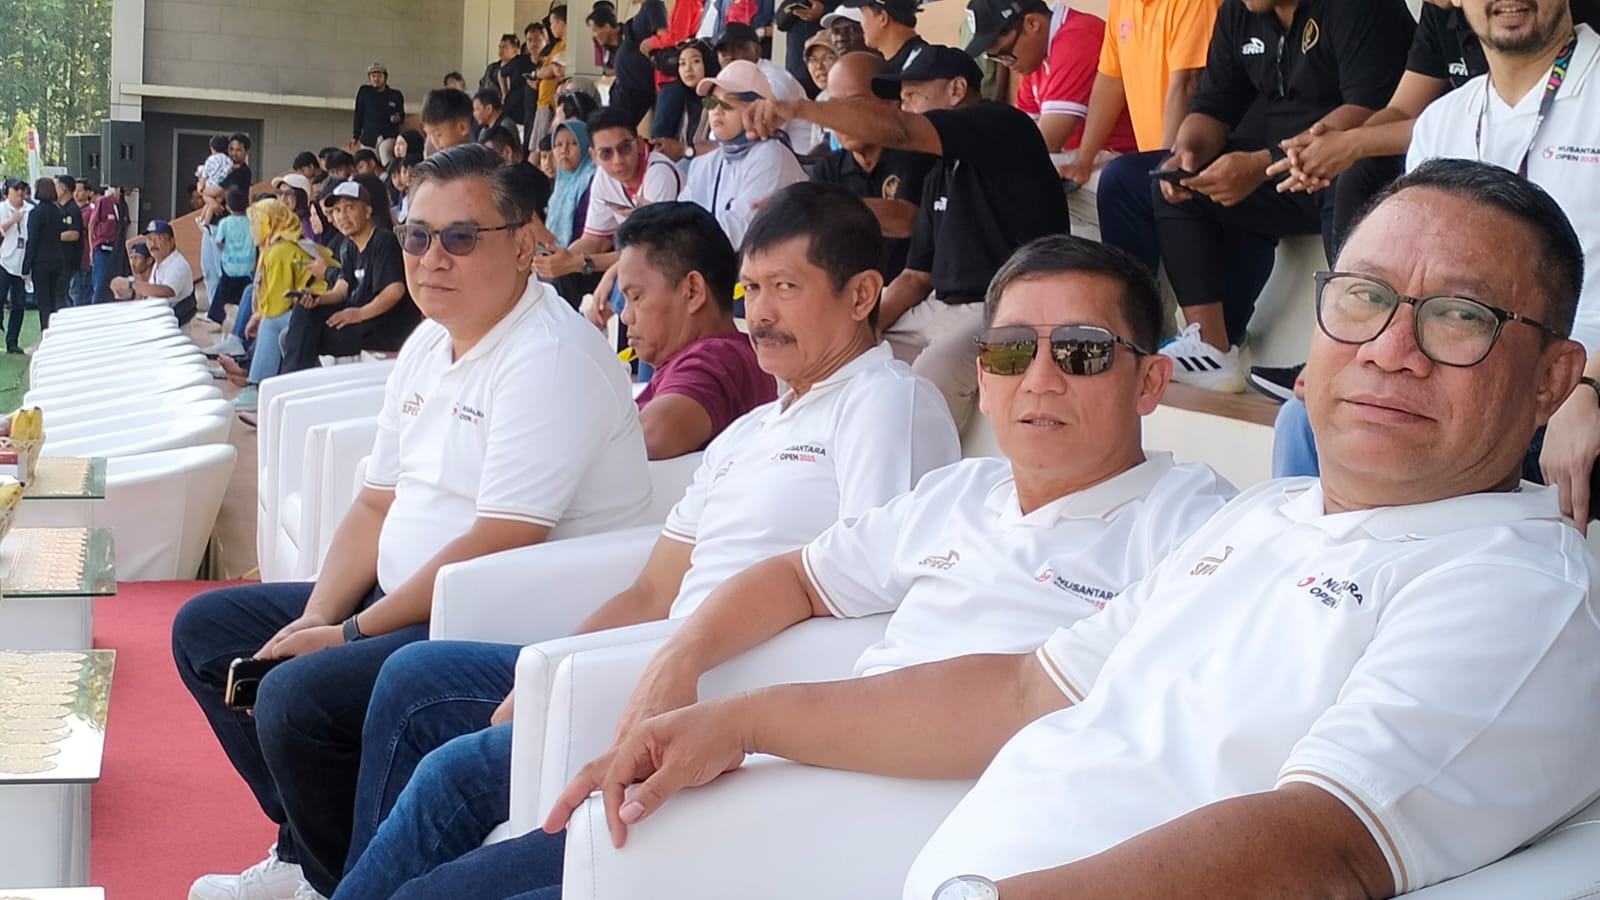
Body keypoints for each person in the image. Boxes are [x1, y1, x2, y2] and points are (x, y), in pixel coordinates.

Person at [546, 159, 1600, 900]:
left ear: (1554, 378)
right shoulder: (1269, 515)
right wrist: (735, 722)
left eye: (1460, 316)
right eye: (1364, 298)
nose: (1390, 349)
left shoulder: (1514, 585)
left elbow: (1326, 845)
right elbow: (1020, 691)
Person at [366, 235, 1242, 900]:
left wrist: (743, 722)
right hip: (791, 775)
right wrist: (677, 664)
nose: (1040, 379)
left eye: (1082, 351)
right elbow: (795, 577)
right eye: (1013, 351)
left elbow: (1024, 699)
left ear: (1150, 382)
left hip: (905, 835)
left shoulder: (1196, 529)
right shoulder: (960, 493)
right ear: (984, 373)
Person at [325, 183, 960, 900]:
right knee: (416, 676)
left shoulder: (884, 401)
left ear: (862, 294)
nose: (760, 313)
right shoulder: (753, 430)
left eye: (786, 287)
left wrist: (664, 666)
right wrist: (545, 671)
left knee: (451, 781)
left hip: (722, 688)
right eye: (752, 288)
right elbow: (653, 589)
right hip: (651, 663)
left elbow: (875, 609)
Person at [174, 144, 656, 900]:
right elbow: (376, 501)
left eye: (460, 237)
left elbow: (500, 539)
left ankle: (333, 880)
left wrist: (347, 635)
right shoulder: (430, 340)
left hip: (491, 620)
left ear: (524, 245)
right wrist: (318, 615)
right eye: (417, 235)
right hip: (398, 598)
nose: (433, 258)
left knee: (296, 698)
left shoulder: (548, 356)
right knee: (207, 631)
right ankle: (313, 859)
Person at [1275, 2, 1600, 507]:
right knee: (1304, 418)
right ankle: (1317, 553)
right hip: (1458, 358)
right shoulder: (1443, 120)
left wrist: (1587, 387)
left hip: (1568, 372)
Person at [747, 45, 1069, 429]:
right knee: (822, 348)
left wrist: (798, 109)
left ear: (956, 90)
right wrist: (861, 327)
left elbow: (901, 130)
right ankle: (808, 446)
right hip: (937, 308)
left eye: (914, 95)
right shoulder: (940, 171)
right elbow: (916, 276)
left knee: (932, 373)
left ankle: (917, 465)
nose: (905, 107)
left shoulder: (1004, 125)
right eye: (902, 98)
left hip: (1009, 306)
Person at [1149, 0, 1413, 393]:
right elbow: (1214, 104)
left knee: (1353, 175)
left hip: (1351, 161)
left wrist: (1264, 164)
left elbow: (1370, 108)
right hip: (1279, 166)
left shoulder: (1357, 7)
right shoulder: (1239, 11)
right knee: (1173, 185)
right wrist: (1187, 153)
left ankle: (1344, 355)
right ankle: (1210, 348)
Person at [1061, 0, 1219, 275]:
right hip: (1157, 165)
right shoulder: (1121, 4)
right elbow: (1111, 79)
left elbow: (1187, 83)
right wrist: (1084, 159)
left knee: (1119, 181)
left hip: (1198, 160)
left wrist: (1163, 168)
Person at [614, 202, 776, 458]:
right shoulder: (727, 354)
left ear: (693, 291)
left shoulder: (715, 358)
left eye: (636, 297)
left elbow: (651, 435)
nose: (625, 315)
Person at [809, 51, 935, 283]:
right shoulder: (827, 169)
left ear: (891, 103)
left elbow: (906, 220)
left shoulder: (918, 156)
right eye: (834, 107)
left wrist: (822, 208)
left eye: (856, 103)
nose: (843, 117)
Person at [279, 175, 420, 375]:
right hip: (361, 319)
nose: (342, 216)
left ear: (367, 211)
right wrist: (317, 298)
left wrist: (358, 314)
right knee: (306, 311)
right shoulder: (349, 246)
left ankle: (293, 381)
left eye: (349, 208)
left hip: (384, 326)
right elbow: (341, 290)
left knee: (303, 338)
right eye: (337, 210)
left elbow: (394, 291)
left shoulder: (383, 241)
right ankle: (294, 380)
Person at [532, 108, 682, 295]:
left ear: (638, 143)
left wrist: (578, 263)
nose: (617, 160)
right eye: (606, 153)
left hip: (671, 261)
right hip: (633, 258)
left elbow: (651, 252)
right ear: (594, 156)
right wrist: (562, 259)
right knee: (560, 277)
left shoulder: (659, 173)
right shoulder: (603, 177)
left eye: (624, 148)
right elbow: (594, 240)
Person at [966, 0, 1138, 156]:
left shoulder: (1076, 38)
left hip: (1122, 156)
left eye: (1005, 53)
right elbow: (1020, 130)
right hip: (1082, 160)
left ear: (1032, 24)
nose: (1005, 63)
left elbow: (1046, 142)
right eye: (996, 58)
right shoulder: (1035, 56)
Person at [683, 61, 808, 247]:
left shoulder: (772, 155)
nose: (717, 110)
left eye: (728, 103)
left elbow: (740, 231)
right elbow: (681, 215)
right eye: (712, 102)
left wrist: (680, 237)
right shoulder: (704, 163)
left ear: (758, 109)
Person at [233, 200, 328, 409]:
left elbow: (277, 304)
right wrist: (259, 314)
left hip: (322, 310)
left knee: (271, 321)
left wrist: (259, 316)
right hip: (309, 309)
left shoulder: (280, 249)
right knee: (269, 319)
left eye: (256, 223)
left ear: (269, 223)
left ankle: (258, 386)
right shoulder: (279, 244)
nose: (252, 229)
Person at [715, 22, 822, 152]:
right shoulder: (728, 81)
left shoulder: (774, 80)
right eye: (723, 51)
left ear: (757, 50)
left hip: (799, 158)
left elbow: (756, 134)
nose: (729, 55)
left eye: (737, 48)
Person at [589, 0, 669, 127]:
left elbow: (664, 36)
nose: (594, 35)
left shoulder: (651, 5)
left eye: (595, 30)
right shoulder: (610, 47)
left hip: (638, 89)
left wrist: (651, 43)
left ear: (607, 27)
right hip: (623, 91)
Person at [110, 219, 196, 325]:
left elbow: (167, 291)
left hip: (173, 325)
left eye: (158, 238)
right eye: (149, 239)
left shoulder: (178, 264)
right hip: (158, 319)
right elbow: (149, 292)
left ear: (172, 241)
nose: (153, 244)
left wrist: (131, 284)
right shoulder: (158, 263)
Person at [649, 38, 722, 162]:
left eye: (696, 61)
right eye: (682, 64)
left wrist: (685, 150)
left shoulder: (720, 101)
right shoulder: (682, 99)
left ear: (709, 63)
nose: (688, 69)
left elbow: (724, 147)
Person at [20, 178, 76, 331]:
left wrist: (26, 267)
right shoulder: (59, 211)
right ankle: (54, 330)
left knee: (43, 302)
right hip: (57, 258)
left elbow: (32, 241)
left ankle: (45, 332)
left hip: (41, 262)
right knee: (53, 300)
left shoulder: (36, 213)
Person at [544, 119, 598, 248]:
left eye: (573, 143)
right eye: (558, 145)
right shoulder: (560, 181)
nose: (564, 150)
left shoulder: (593, 181)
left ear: (586, 146)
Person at [209, 187, 255, 325]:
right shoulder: (252, 222)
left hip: (229, 267)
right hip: (248, 267)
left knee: (226, 299)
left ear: (228, 207)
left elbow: (218, 242)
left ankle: (226, 317)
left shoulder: (225, 223)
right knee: (244, 298)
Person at [837, 0, 927, 71]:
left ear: (883, 18)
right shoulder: (920, 59)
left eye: (863, 14)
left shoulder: (921, 67)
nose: (861, 24)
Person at [531, 7, 571, 151]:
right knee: (537, 148)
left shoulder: (570, 46)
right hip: (543, 101)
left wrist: (548, 70)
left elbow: (556, 71)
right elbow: (545, 70)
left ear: (562, 23)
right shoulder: (557, 45)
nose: (551, 27)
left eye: (552, 23)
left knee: (544, 148)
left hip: (551, 102)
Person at [353, 62, 405, 164]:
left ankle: (389, 173)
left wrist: (398, 118)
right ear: (369, 78)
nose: (376, 79)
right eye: (373, 76)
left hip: (388, 136)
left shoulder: (395, 95)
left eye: (379, 76)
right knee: (366, 162)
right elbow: (358, 114)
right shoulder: (364, 92)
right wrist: (355, 135)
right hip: (369, 137)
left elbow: (402, 115)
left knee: (385, 153)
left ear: (385, 78)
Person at [0, 178, 29, 352]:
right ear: (7, 191)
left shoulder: (30, 210)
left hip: (22, 264)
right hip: (3, 260)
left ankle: (12, 341)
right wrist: (12, 220)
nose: (19, 192)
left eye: (22, 189)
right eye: (15, 188)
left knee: (18, 304)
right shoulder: (2, 208)